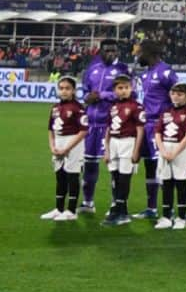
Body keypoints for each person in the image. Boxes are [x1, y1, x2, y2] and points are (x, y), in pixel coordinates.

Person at [79, 41, 128, 216]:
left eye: (114, 50)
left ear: (118, 51)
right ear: (101, 51)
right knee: (89, 164)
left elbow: (129, 93)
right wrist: (88, 97)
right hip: (91, 124)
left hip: (112, 125)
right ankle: (88, 202)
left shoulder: (123, 69)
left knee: (114, 168)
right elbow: (85, 91)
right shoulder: (93, 68)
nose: (111, 53)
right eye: (107, 50)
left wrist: (102, 95)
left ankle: (116, 204)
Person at [134, 39, 179, 222]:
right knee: (150, 167)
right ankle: (151, 208)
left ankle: (169, 210)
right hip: (147, 125)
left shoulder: (166, 72)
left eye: (140, 53)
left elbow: (179, 96)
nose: (137, 56)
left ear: (150, 53)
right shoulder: (146, 74)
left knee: (162, 168)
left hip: (161, 126)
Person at [152, 81, 186, 230]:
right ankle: (166, 216)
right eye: (173, 93)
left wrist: (175, 152)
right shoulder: (166, 112)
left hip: (181, 150)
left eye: (180, 94)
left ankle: (181, 217)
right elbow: (157, 132)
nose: (175, 97)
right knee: (166, 184)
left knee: (181, 183)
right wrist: (163, 150)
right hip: (165, 148)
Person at [103, 74, 146, 226]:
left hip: (128, 142)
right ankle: (118, 208)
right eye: (120, 88)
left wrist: (136, 150)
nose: (123, 91)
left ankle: (121, 211)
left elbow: (140, 130)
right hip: (114, 142)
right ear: (114, 90)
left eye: (126, 87)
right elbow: (108, 128)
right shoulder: (113, 107)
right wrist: (106, 149)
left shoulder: (136, 106)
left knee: (124, 177)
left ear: (131, 88)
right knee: (115, 177)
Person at [46, 75, 87, 221]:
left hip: (73, 143)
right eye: (61, 88)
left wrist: (68, 148)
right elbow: (50, 129)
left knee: (72, 176)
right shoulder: (55, 108)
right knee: (60, 176)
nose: (64, 91)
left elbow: (83, 131)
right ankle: (59, 208)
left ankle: (71, 211)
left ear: (74, 91)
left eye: (67, 88)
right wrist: (52, 146)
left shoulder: (78, 108)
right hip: (58, 142)